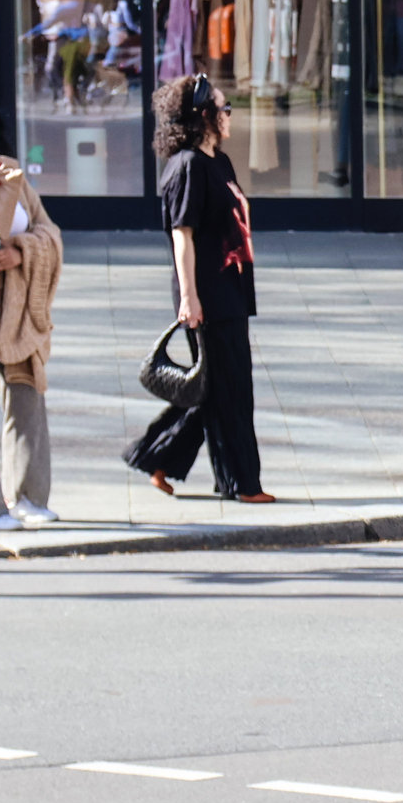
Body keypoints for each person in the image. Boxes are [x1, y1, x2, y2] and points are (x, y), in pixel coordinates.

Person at [126, 74, 270, 504]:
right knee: (229, 389)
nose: (229, 116)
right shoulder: (188, 166)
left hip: (231, 290)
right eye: (223, 108)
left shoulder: (218, 161)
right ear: (202, 116)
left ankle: (158, 458)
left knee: (216, 385)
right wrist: (190, 297)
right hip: (207, 294)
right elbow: (181, 236)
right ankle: (241, 485)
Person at [0, 131, 63, 532]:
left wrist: (19, 251)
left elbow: (49, 232)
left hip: (14, 310)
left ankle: (28, 498)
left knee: (25, 397)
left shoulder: (11, 177)